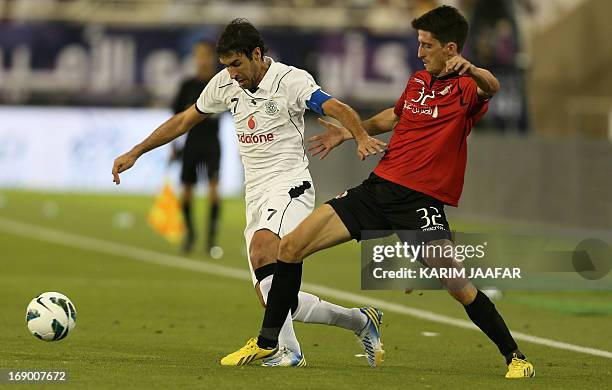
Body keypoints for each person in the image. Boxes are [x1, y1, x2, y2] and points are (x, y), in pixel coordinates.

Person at [223, 6, 535, 379]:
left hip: (419, 202)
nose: (420, 52)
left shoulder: (467, 87)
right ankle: (268, 341)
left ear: (451, 48)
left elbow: (492, 88)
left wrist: (472, 69)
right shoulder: (419, 82)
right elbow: (396, 115)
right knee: (288, 248)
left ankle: (515, 356)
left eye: (427, 45)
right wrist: (350, 131)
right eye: (419, 44)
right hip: (378, 189)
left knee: (455, 283)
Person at [112, 19, 387, 367]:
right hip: (256, 194)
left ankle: (287, 350)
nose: (231, 74)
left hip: (290, 185)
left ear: (257, 54)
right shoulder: (224, 85)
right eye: (226, 66)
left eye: (237, 65)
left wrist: (360, 136)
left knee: (263, 247)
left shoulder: (291, 80)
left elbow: (337, 108)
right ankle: (360, 320)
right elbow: (184, 120)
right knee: (273, 296)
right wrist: (136, 151)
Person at [170, 41, 222, 255]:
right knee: (187, 191)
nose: (201, 59)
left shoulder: (221, 83)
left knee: (213, 191)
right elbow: (177, 118)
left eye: (205, 55)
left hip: (211, 143)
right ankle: (190, 235)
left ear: (212, 57)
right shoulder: (187, 85)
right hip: (192, 143)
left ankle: (210, 239)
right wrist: (175, 145)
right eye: (197, 55)